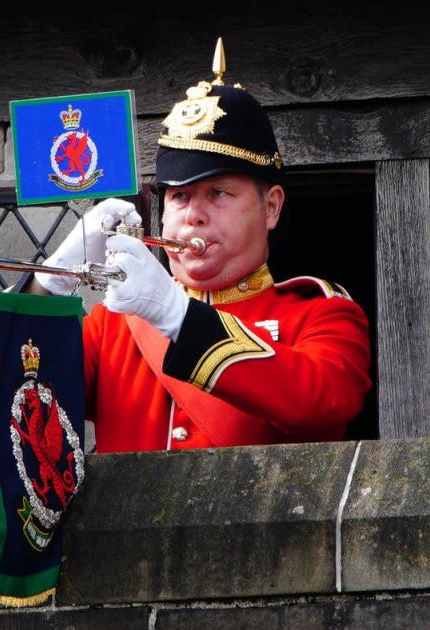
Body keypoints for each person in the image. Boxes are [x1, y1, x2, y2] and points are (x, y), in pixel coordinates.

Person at [28, 51, 371, 453]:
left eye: (218, 193)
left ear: (271, 207)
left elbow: (319, 403)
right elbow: (12, 388)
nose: (193, 216)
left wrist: (177, 316)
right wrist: (49, 281)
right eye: (180, 196)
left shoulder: (320, 315)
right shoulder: (113, 325)